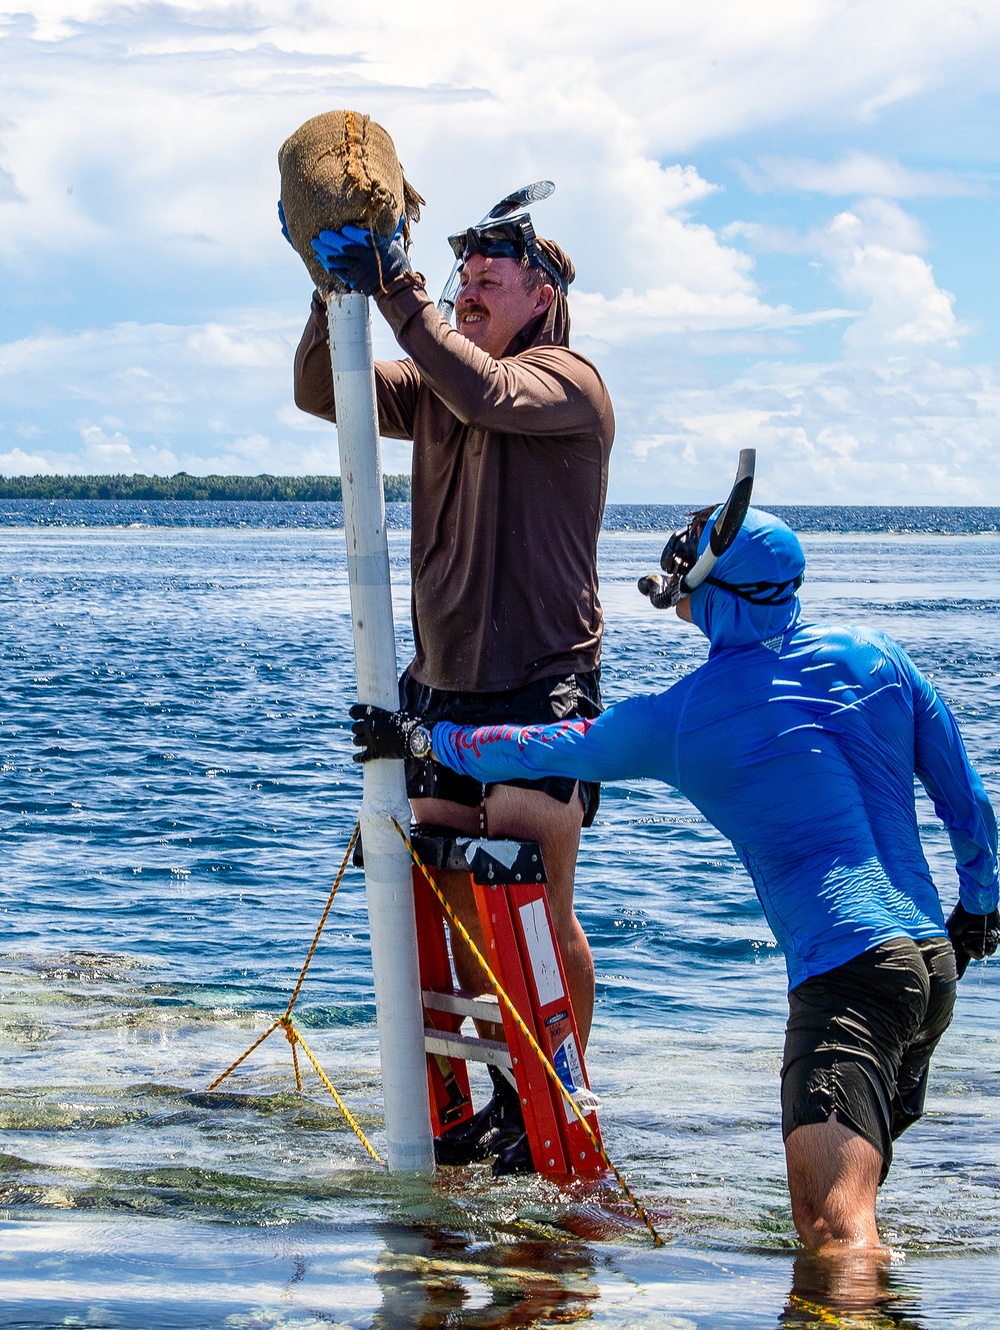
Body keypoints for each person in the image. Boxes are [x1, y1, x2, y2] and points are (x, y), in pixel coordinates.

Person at [350, 504, 999, 1255]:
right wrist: (979, 908)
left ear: (712, 591)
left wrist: (427, 737)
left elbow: (542, 747)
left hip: (848, 975)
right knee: (855, 1213)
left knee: (834, 1236)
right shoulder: (881, 658)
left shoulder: (691, 713)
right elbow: (970, 806)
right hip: (930, 972)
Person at [291, 203, 615, 1172]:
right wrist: (330, 289)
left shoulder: (569, 381)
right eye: (458, 273)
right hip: (440, 691)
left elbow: (487, 396)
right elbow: (323, 392)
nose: (466, 286)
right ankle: (478, 1098)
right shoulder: (440, 375)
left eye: (488, 277)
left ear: (541, 296)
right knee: (441, 892)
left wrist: (399, 290)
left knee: (531, 905)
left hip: (538, 690)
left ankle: (552, 1092)